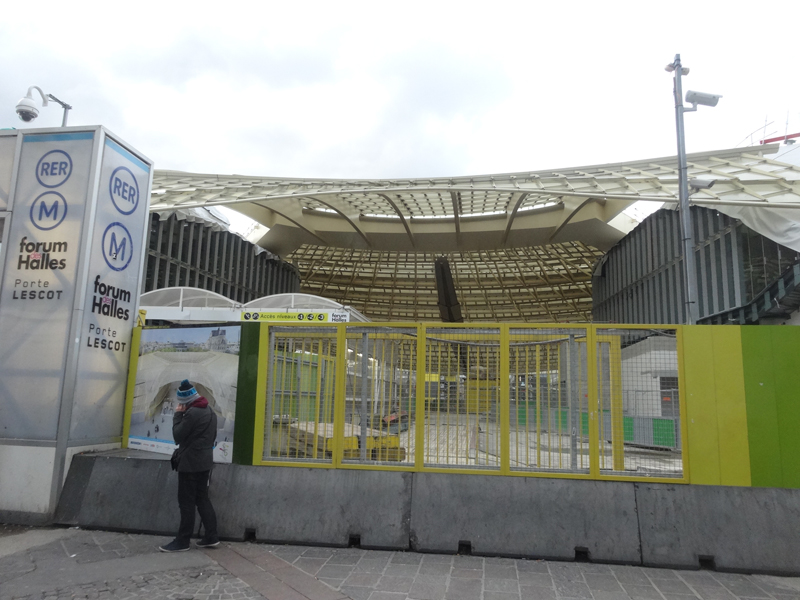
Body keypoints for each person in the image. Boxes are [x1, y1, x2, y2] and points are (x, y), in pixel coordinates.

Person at [159, 380, 220, 552]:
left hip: (190, 463)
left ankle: (183, 541)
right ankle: (211, 536)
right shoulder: (209, 411)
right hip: (205, 461)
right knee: (202, 498)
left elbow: (177, 436)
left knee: (186, 502)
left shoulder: (192, 413)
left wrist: (178, 415)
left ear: (185, 401)